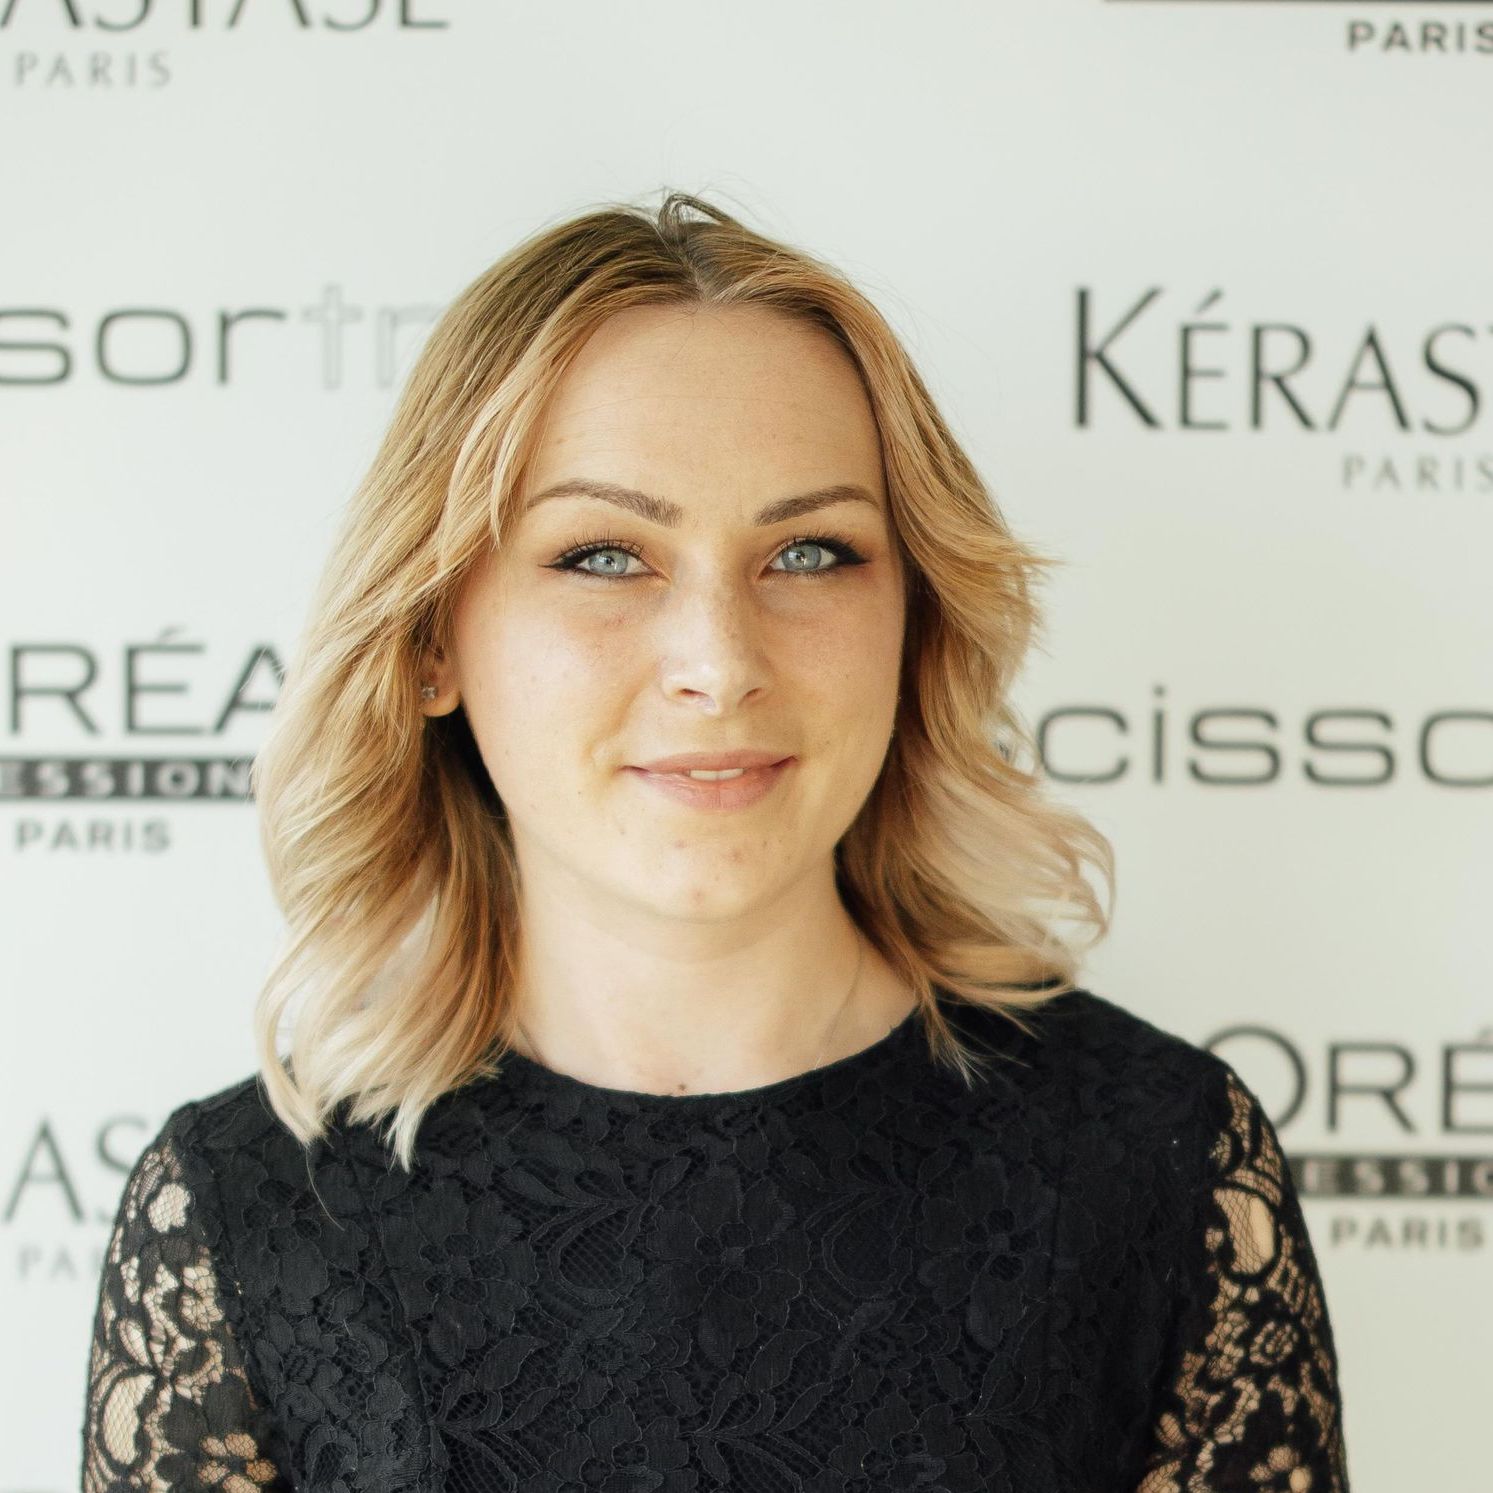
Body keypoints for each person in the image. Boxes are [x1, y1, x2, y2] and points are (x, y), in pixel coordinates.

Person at [80, 191, 1350, 1492]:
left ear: (913, 615)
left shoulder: (1159, 1163)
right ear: (429, 639)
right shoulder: (247, 1214)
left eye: (808, 550)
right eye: (601, 555)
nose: (718, 661)